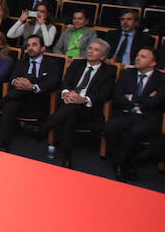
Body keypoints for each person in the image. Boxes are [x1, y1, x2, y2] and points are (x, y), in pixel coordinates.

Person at [45, 39, 117, 168]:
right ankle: (67, 156)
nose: (90, 51)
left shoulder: (109, 71)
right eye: (90, 48)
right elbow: (66, 81)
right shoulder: (77, 63)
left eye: (96, 50)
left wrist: (84, 99)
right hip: (69, 102)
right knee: (70, 114)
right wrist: (66, 93)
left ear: (103, 56)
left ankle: (46, 127)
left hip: (89, 108)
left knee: (70, 109)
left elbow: (105, 94)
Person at [0, 34, 63, 152]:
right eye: (28, 45)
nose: (30, 48)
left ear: (43, 48)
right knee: (10, 105)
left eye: (34, 45)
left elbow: (53, 83)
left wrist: (32, 86)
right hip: (20, 99)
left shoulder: (51, 64)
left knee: (28, 81)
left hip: (40, 100)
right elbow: (12, 78)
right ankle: (4, 144)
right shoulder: (21, 62)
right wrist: (17, 82)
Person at [103, 48, 165, 180]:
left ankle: (120, 164)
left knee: (134, 132)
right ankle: (124, 162)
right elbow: (117, 96)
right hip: (127, 113)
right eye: (138, 55)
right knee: (109, 128)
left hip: (147, 117)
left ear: (153, 63)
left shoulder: (161, 79)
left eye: (143, 57)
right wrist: (142, 100)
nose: (137, 58)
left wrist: (132, 97)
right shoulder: (127, 73)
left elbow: (155, 102)